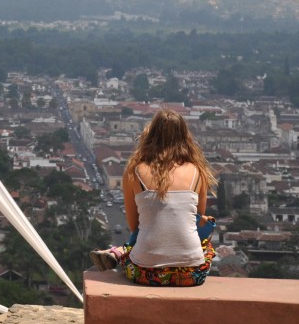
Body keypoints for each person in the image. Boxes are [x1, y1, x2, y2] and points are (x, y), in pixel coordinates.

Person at [89, 109, 217, 286]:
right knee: (206, 245)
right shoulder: (198, 172)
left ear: (150, 134)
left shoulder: (134, 171)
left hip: (144, 273)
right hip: (192, 274)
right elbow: (196, 219)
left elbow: (135, 226)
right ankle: (118, 252)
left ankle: (118, 252)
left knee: (142, 235)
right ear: (186, 137)